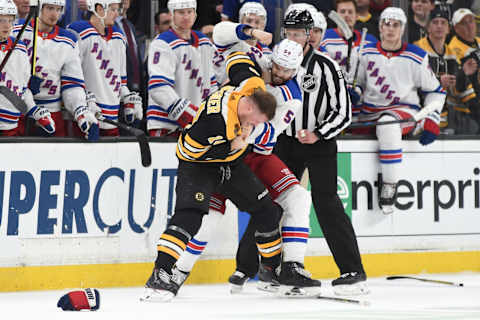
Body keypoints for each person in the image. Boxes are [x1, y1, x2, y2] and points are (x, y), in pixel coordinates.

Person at [171, 39, 322, 296]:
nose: (281, 73)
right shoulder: (254, 60)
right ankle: (177, 272)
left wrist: (239, 136)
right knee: (209, 218)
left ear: (296, 70)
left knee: (298, 198)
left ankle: (290, 266)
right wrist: (246, 31)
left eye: (288, 70)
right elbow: (223, 38)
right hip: (218, 152)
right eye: (278, 66)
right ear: (271, 59)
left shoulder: (292, 97)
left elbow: (266, 137)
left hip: (249, 153)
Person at [142, 58, 282, 303]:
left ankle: (271, 271)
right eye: (257, 120)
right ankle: (161, 272)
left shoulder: (251, 86)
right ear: (249, 108)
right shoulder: (217, 122)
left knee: (268, 210)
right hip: (197, 164)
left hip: (229, 163)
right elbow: (191, 151)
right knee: (190, 216)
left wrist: (249, 35)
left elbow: (238, 61)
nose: (256, 126)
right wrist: (234, 144)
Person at [278, 8, 368, 296]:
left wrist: (318, 133)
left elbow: (343, 113)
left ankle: (352, 271)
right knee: (273, 204)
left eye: (299, 33)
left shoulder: (327, 66)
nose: (293, 38)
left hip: (320, 145)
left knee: (327, 203)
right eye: (289, 33)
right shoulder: (275, 61)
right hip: (285, 143)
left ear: (309, 35)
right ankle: (265, 269)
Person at [353, 7, 446, 214]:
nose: (391, 28)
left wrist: (432, 117)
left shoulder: (417, 56)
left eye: (396, 25)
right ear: (380, 27)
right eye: (387, 23)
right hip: (368, 113)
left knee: (388, 124)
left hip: (403, 112)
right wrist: (355, 92)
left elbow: (436, 92)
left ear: (403, 29)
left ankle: (390, 184)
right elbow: (358, 83)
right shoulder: (365, 52)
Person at [12, 0, 99, 139]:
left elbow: (72, 84)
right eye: (50, 8)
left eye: (59, 9)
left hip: (51, 113)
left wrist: (79, 109)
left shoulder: (68, 40)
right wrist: (24, 84)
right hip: (18, 111)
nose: (54, 14)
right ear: (39, 7)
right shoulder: (17, 30)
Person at [68, 0, 143, 137]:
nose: (116, 14)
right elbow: (70, 79)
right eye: (113, 10)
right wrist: (83, 103)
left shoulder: (119, 38)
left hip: (112, 118)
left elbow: (121, 82)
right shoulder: (79, 33)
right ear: (99, 9)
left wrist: (128, 100)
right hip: (86, 116)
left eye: (117, 10)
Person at [146, 0, 218, 137]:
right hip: (166, 126)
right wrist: (188, 114)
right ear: (171, 15)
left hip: (197, 125)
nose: (186, 17)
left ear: (195, 14)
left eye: (189, 12)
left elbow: (212, 84)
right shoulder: (162, 43)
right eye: (181, 12)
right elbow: (158, 88)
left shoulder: (205, 42)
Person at [414, 6, 476, 134]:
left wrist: (462, 74)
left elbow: (464, 90)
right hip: (418, 118)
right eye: (435, 23)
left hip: (443, 121)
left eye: (443, 23)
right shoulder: (417, 49)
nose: (439, 26)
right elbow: (411, 82)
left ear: (448, 29)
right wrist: (437, 81)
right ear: (428, 27)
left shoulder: (451, 54)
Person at [0, 0, 55, 137]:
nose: (7, 25)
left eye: (10, 20)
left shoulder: (19, 47)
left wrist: (34, 110)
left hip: (11, 126)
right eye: (1, 20)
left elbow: (22, 90)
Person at [213, 1, 271, 85]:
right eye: (249, 21)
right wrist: (250, 31)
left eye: (257, 22)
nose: (253, 25)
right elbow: (219, 29)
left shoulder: (267, 54)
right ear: (241, 22)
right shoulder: (229, 40)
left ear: (263, 26)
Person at [449, 8, 480, 131]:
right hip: (466, 111)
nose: (469, 25)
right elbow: (458, 86)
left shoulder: (478, 41)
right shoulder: (452, 49)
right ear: (456, 28)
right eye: (464, 23)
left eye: (471, 21)